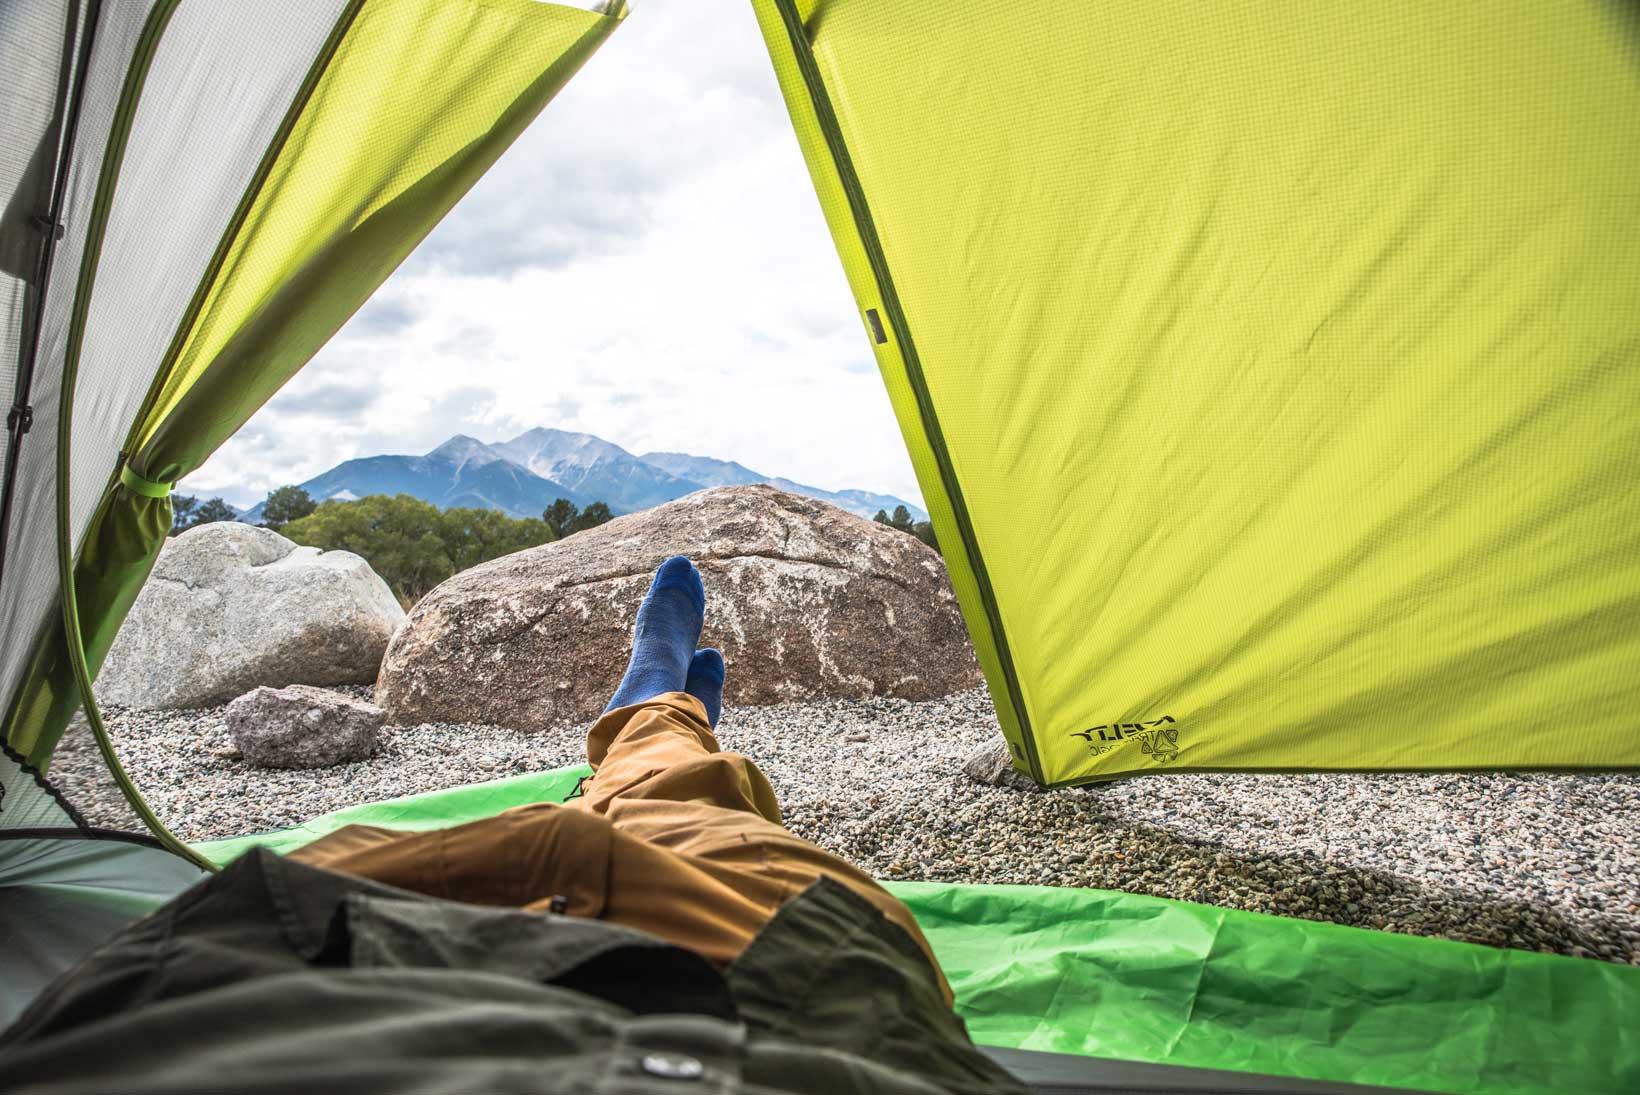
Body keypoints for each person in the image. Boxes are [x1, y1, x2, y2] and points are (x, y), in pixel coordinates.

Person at [1, 556, 1026, 1094]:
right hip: (818, 955)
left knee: (644, 799)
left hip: (848, 982)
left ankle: (665, 705)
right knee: (663, 806)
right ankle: (663, 705)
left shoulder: (107, 1035)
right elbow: (553, 852)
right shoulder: (129, 1005)